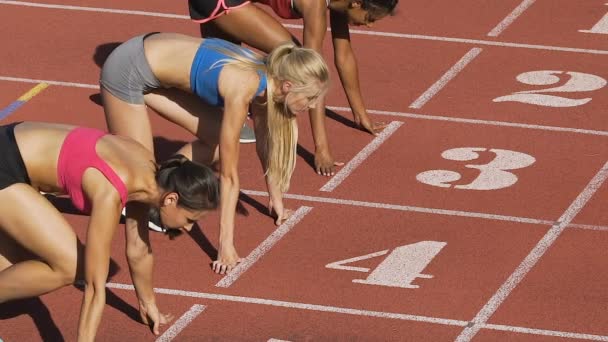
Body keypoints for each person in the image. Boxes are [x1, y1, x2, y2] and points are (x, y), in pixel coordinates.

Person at [100, 33, 330, 274]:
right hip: (127, 70)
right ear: (288, 86)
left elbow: (264, 141)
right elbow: (229, 176)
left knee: (220, 144)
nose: (313, 105)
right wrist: (225, 245)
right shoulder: (245, 85)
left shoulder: (269, 76)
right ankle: (114, 216)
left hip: (152, 64)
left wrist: (276, 201)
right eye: (311, 98)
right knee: (140, 175)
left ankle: (162, 189)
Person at [0, 121, 220, 340]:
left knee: (14, 269)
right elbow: (94, 287)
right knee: (71, 266)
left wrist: (148, 302)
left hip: (13, 153)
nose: (188, 227)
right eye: (190, 218)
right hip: (6, 164)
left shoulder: (150, 175)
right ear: (171, 199)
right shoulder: (111, 191)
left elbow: (139, 248)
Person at [188, 0, 398, 175]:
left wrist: (361, 115)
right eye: (370, 18)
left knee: (225, 66)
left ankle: (225, 112)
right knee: (295, 56)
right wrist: (321, 148)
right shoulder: (316, 6)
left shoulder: (341, 3)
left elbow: (344, 56)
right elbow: (311, 72)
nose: (370, 25)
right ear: (356, 3)